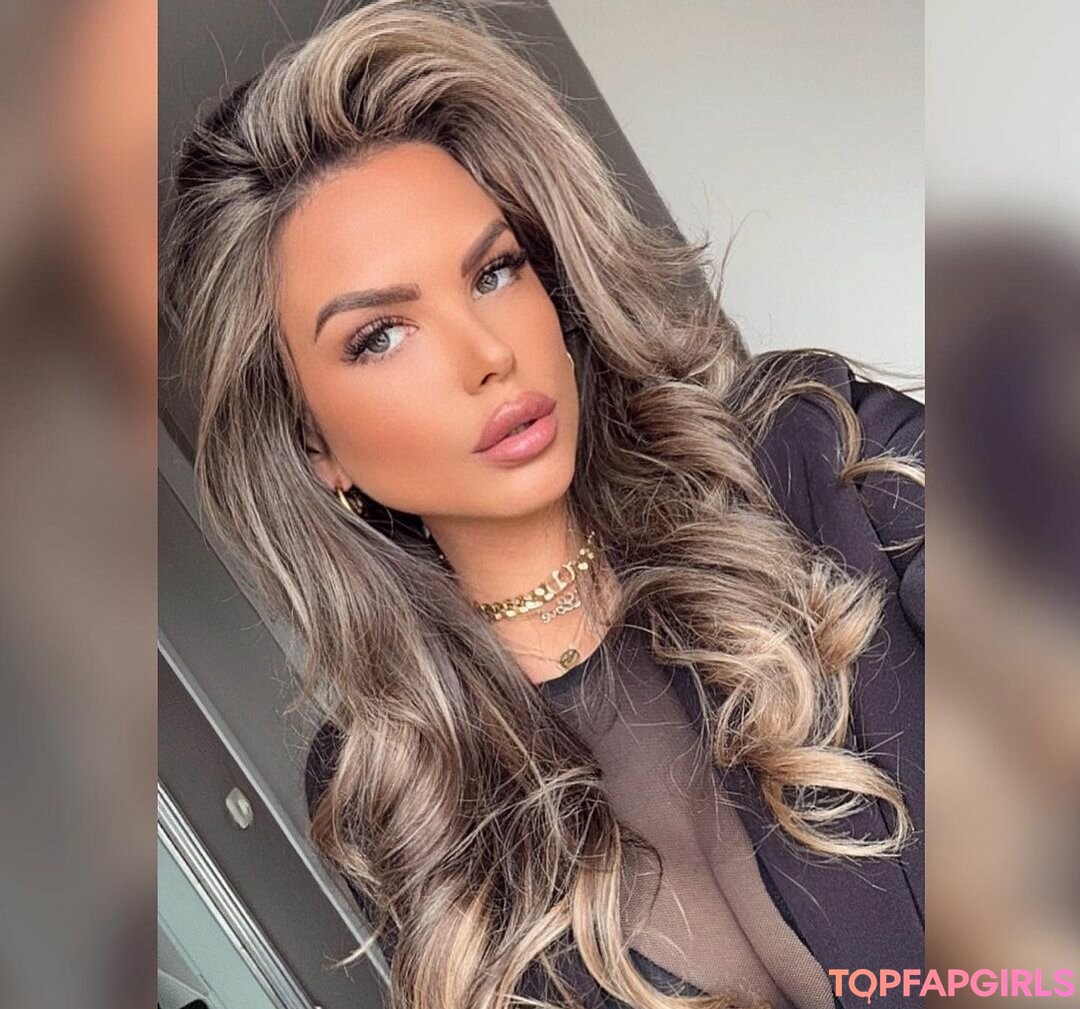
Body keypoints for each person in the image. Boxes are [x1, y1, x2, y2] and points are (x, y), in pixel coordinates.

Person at [160, 3, 924, 1007]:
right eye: (380, 334)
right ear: (315, 446)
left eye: (493, 271)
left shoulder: (815, 452)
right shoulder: (396, 789)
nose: (487, 353)